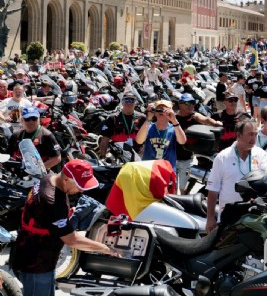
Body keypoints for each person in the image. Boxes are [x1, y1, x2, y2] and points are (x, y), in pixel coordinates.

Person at [12, 159, 117, 296]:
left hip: (38, 255)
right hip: (36, 263)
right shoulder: (52, 201)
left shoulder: (49, 178)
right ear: (66, 178)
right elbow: (72, 240)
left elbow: (46, 217)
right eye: (79, 185)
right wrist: (105, 249)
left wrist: (64, 216)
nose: (81, 190)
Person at [205, 118, 267, 233]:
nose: (254, 138)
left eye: (256, 134)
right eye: (250, 134)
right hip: (229, 218)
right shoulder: (223, 157)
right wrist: (210, 218)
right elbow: (213, 190)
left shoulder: (261, 154)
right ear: (239, 135)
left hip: (255, 217)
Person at [175, 93, 223, 192]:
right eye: (188, 102)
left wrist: (215, 123)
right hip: (171, 158)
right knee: (171, 188)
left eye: (193, 102)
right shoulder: (173, 118)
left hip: (187, 158)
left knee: (183, 189)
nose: (191, 105)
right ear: (180, 104)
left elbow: (205, 119)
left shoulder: (194, 116)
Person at [136, 100, 187, 170]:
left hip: (167, 170)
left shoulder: (174, 128)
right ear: (155, 112)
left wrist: (174, 120)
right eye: (159, 109)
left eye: (165, 110)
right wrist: (149, 118)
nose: (161, 111)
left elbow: (182, 141)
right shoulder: (148, 126)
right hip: (148, 169)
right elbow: (139, 141)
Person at [7, 106, 61, 171]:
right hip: (18, 173)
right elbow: (8, 155)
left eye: (34, 118)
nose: (31, 122)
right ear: (22, 120)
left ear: (38, 119)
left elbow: (57, 158)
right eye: (27, 119)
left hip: (39, 174)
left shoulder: (47, 135)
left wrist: (39, 169)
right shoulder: (16, 135)